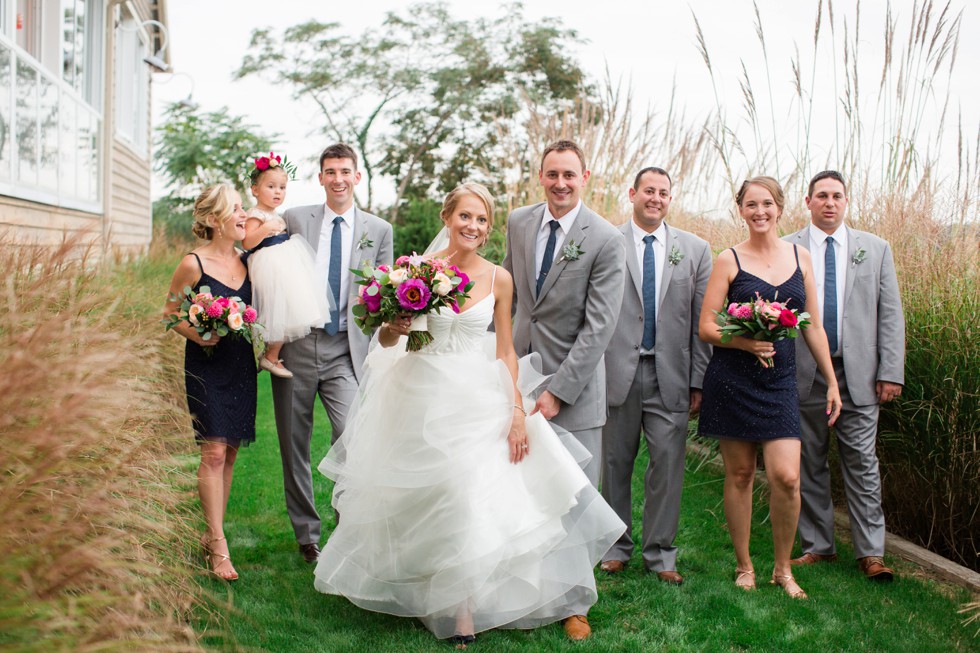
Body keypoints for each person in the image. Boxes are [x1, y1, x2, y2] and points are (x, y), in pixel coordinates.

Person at [312, 183, 625, 648]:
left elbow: (505, 350)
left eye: (481, 220)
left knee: (470, 491)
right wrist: (394, 327)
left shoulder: (499, 278)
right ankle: (431, 587)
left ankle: (464, 604)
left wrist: (517, 410)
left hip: (478, 394)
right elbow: (388, 344)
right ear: (447, 217)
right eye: (465, 217)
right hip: (420, 392)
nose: (473, 227)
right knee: (434, 494)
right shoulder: (414, 272)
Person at [501, 139, 626, 640]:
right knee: (521, 491)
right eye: (552, 174)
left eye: (569, 175)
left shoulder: (606, 239)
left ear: (586, 176)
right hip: (517, 379)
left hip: (574, 391)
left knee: (573, 497)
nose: (560, 183)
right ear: (541, 175)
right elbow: (507, 297)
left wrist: (559, 391)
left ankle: (576, 603)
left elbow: (599, 328)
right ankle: (520, 591)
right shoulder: (518, 222)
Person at [697, 176, 842, 599]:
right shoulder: (728, 260)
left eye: (766, 204)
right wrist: (745, 340)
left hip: (780, 382)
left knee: (786, 476)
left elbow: (812, 325)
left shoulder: (801, 257)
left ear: (779, 207)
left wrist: (831, 381)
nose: (759, 212)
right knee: (740, 473)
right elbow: (707, 325)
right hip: (734, 378)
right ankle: (744, 566)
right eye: (750, 205)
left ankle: (782, 568)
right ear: (740, 210)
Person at [272, 143, 393, 563]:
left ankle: (345, 527)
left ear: (356, 177)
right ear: (320, 177)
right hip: (297, 345)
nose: (338, 179)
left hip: (347, 348)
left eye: (345, 171)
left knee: (352, 437)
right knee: (294, 442)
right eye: (330, 172)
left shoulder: (379, 230)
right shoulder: (294, 220)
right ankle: (307, 535)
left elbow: (384, 296)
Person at [786, 170, 905, 581]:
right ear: (808, 201)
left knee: (861, 460)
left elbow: (890, 314)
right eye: (821, 196)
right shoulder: (787, 248)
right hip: (805, 372)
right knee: (808, 459)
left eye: (837, 196)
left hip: (860, 374)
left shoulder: (875, 249)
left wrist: (891, 371)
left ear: (846, 201)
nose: (829, 203)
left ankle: (871, 552)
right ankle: (818, 546)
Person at [599, 167, 712, 584]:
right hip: (617, 371)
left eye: (664, 192)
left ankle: (662, 554)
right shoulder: (607, 241)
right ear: (633, 193)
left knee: (667, 465)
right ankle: (615, 545)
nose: (656, 198)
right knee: (615, 463)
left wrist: (698, 380)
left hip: (672, 375)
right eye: (649, 190)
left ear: (670, 198)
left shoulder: (696, 250)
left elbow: (701, 321)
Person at [163, 183, 257, 581]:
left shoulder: (249, 262)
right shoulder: (192, 264)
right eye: (236, 208)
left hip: (239, 364)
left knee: (230, 452)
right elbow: (170, 313)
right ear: (216, 219)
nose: (243, 214)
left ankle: (210, 533)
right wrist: (200, 332)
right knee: (213, 453)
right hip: (205, 364)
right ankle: (219, 546)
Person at [241, 153, 331, 379]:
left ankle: (271, 354)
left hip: (283, 260)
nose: (278, 192)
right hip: (267, 262)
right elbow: (248, 241)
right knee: (276, 308)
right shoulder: (256, 214)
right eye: (271, 186)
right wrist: (265, 227)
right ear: (255, 190)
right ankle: (268, 355)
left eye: (282, 187)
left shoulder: (276, 214)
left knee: (287, 309)